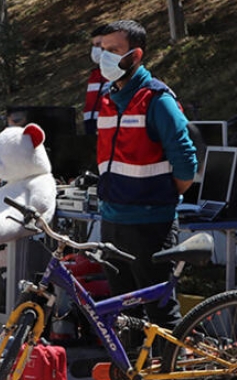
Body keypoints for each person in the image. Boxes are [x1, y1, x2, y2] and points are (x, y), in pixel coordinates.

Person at [95, 20, 197, 337]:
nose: (104, 57)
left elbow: (186, 163)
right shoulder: (108, 98)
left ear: (136, 55)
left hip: (151, 225)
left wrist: (162, 197)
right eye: (101, 50)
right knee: (123, 316)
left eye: (114, 51)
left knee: (161, 316)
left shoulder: (158, 99)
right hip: (112, 221)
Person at [82, 25, 110, 135]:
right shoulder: (95, 76)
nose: (95, 50)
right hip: (92, 132)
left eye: (98, 45)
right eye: (94, 45)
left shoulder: (119, 74)